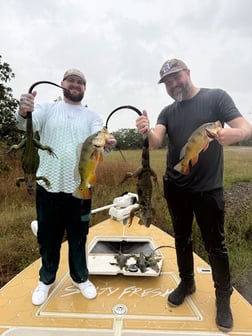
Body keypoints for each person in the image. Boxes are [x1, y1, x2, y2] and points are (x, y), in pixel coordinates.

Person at [136, 59, 252, 332]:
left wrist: (232, 134)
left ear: (188, 73)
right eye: (167, 82)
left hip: (208, 189)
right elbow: (155, 142)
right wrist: (146, 129)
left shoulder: (216, 98)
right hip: (176, 186)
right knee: (181, 238)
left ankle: (223, 297)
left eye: (176, 77)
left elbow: (245, 127)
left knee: (216, 245)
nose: (173, 84)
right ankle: (187, 282)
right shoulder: (167, 111)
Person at [16, 68, 116, 306]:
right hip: (48, 186)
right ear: (62, 83)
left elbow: (100, 142)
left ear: (85, 88)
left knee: (79, 237)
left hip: (81, 188)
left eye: (80, 82)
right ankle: (46, 279)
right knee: (48, 238)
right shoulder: (47, 108)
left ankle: (80, 278)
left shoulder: (92, 116)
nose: (75, 85)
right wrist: (23, 110)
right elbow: (24, 125)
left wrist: (109, 142)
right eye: (71, 80)